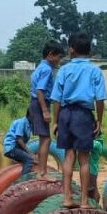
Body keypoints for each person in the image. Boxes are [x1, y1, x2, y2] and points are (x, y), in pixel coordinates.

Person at [50, 32, 105, 209]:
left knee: (68, 156)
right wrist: (99, 121)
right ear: (89, 50)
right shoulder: (95, 71)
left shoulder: (64, 70)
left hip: (66, 113)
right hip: (83, 115)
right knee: (84, 159)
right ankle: (83, 201)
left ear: (71, 49)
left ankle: (66, 197)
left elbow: (56, 99)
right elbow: (100, 99)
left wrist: (56, 120)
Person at [30, 40, 66, 180]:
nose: (59, 60)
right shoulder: (46, 70)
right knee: (45, 140)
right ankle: (42, 173)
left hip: (36, 104)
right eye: (59, 57)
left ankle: (41, 171)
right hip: (40, 103)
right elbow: (40, 90)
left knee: (44, 139)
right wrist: (45, 111)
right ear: (51, 54)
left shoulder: (40, 67)